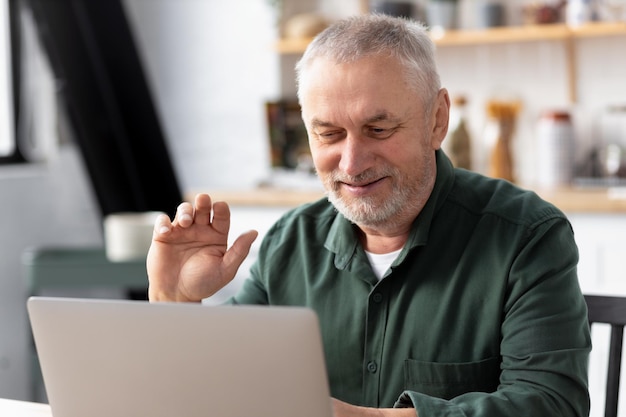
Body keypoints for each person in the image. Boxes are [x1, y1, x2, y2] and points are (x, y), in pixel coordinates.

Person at [147, 14, 590, 417]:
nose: (352, 163)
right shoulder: (289, 242)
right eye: (329, 134)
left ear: (437, 120)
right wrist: (176, 302)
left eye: (378, 130)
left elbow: (552, 404)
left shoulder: (527, 236)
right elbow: (226, 389)